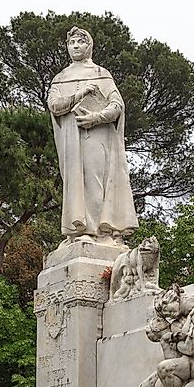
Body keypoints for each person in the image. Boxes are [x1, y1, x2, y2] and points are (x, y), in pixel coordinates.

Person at [47, 26, 138, 245]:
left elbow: (117, 105)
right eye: (71, 43)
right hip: (71, 138)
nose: (75, 46)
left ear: (89, 46)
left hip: (96, 135)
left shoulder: (101, 74)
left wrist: (96, 117)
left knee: (94, 179)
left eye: (80, 42)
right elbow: (54, 105)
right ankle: (78, 230)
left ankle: (98, 232)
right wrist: (79, 94)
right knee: (74, 182)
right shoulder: (60, 78)